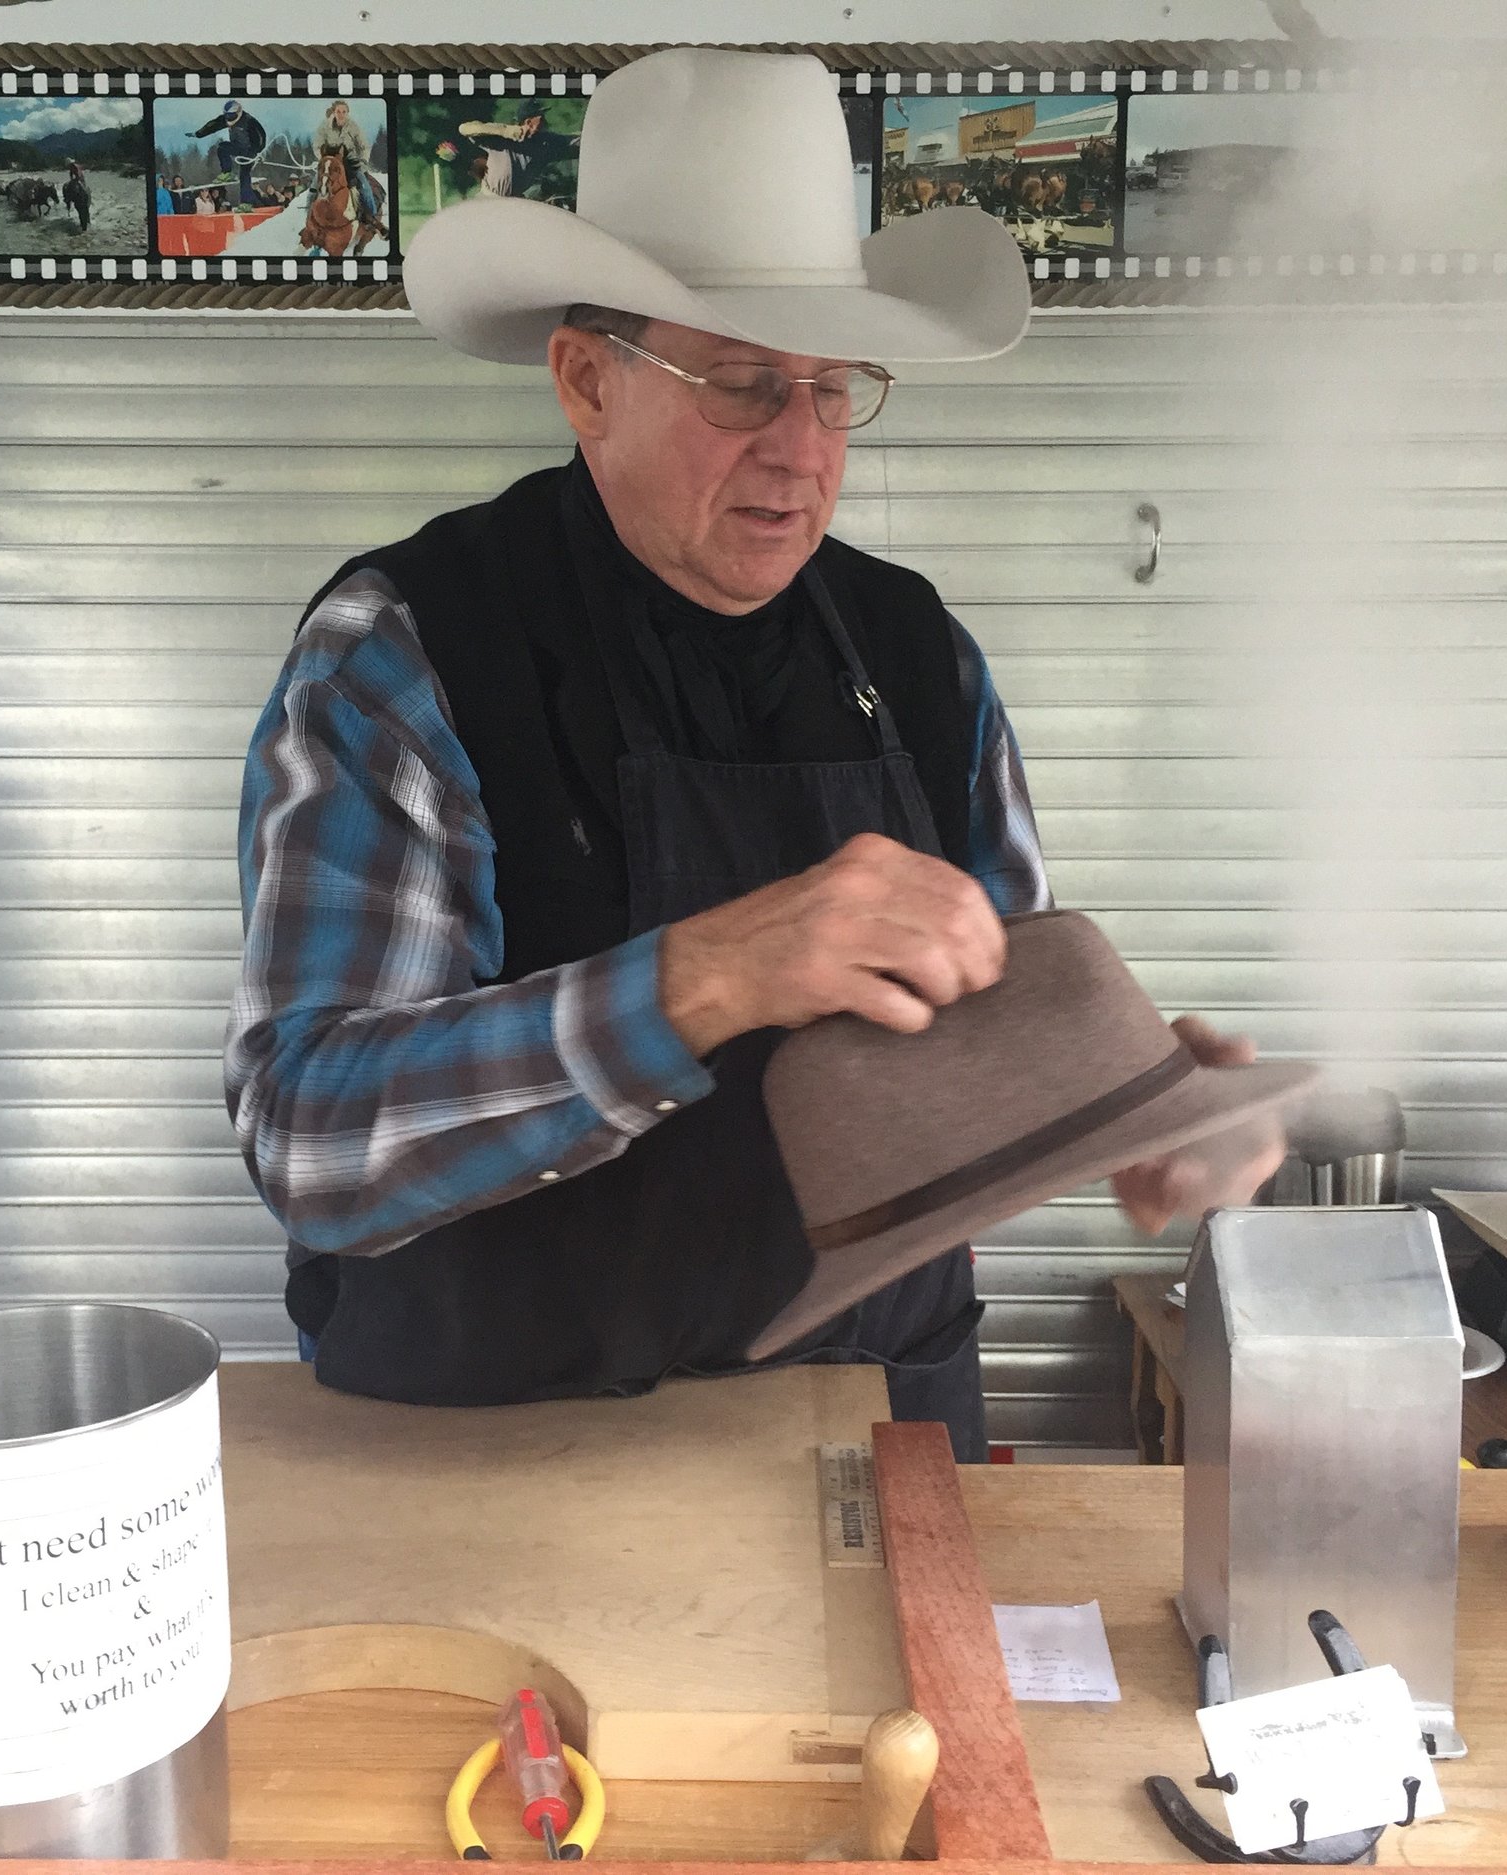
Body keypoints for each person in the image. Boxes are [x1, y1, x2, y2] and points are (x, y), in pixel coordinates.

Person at [225, 49, 1281, 1456]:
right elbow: (313, 1139)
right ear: (586, 381)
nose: (801, 451)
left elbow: (990, 1040)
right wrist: (709, 973)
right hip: (498, 1447)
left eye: (835, 389)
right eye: (740, 384)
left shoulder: (920, 660)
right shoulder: (407, 654)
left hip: (874, 1420)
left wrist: (1133, 1105)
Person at [449, 108, 580, 200]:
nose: (545, 122)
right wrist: (505, 131)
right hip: (488, 202)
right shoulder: (502, 138)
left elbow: (577, 143)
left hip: (515, 205)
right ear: (529, 122)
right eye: (540, 118)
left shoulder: (546, 143)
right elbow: (464, 129)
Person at [313, 98, 382, 232]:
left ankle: (372, 219)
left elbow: (364, 146)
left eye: (344, 111)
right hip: (330, 162)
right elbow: (317, 145)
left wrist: (363, 161)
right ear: (334, 112)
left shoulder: (353, 126)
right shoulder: (324, 126)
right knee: (313, 187)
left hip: (351, 163)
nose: (341, 114)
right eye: (339, 111)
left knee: (364, 186)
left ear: (348, 113)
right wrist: (324, 159)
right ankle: (310, 219)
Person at [192, 100, 268, 206]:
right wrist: (198, 134)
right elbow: (213, 125)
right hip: (237, 147)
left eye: (231, 116)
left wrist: (258, 151)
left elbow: (261, 136)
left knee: (244, 175)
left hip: (249, 151)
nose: (229, 119)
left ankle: (247, 203)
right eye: (227, 116)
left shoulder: (249, 121)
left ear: (238, 112)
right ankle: (227, 172)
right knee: (222, 147)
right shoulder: (226, 119)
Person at [62, 158, 91, 235]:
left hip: (80, 180)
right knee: (68, 186)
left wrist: (73, 181)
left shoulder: (75, 167)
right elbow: (71, 176)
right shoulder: (71, 168)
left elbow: (78, 176)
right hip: (78, 180)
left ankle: (68, 199)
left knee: (79, 190)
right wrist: (71, 180)